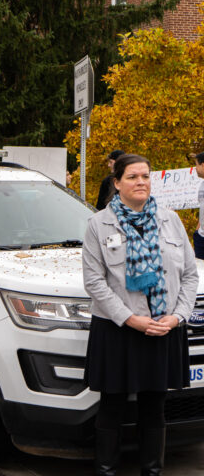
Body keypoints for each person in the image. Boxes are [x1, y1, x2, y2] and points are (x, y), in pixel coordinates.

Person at [82, 154, 198, 476]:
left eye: (145, 176)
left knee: (154, 406)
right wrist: (129, 318)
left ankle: (152, 472)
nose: (141, 182)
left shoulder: (170, 220)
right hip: (118, 330)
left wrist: (177, 317)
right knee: (112, 406)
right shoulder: (98, 224)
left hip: (163, 327)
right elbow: (94, 282)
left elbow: (189, 275)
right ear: (116, 183)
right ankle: (107, 471)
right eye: (132, 177)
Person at [193, 152, 204, 259]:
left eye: (196, 165)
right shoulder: (201, 185)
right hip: (201, 237)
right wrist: (197, 232)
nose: (195, 168)